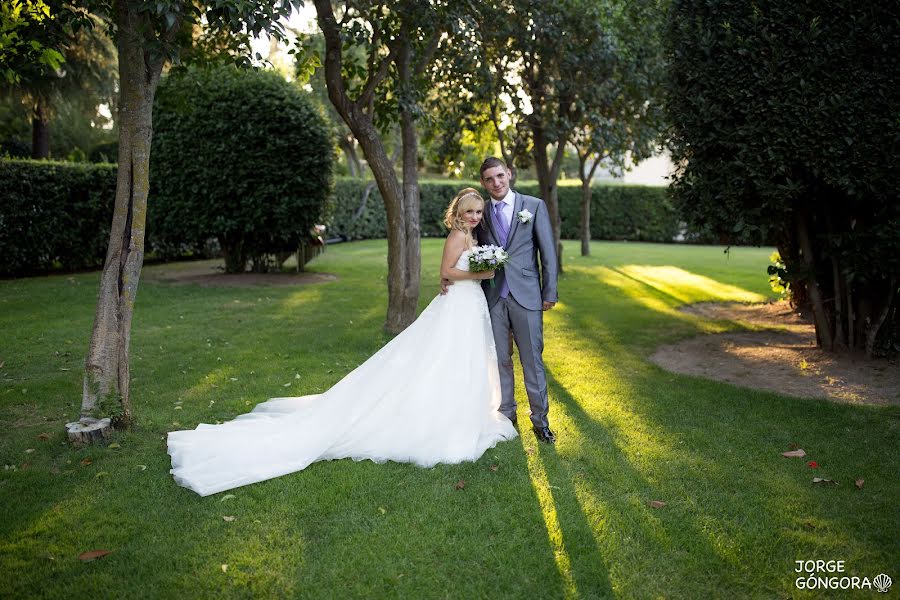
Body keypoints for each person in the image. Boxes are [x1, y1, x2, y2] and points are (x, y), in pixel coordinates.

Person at [167, 188, 517, 497]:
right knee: (444, 357)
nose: (474, 216)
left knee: (460, 362)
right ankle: (437, 418)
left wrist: (480, 270)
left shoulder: (471, 237)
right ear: (457, 214)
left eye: (478, 212)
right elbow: (445, 273)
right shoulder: (457, 237)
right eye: (469, 211)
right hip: (457, 304)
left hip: (468, 306)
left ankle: (456, 412)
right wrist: (481, 273)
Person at [441, 157, 559, 444]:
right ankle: (507, 416)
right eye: (489, 179)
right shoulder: (479, 214)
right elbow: (463, 250)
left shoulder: (534, 206)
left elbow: (548, 252)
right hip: (492, 297)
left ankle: (540, 421)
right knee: (500, 360)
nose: (496, 182)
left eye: (499, 176)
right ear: (483, 183)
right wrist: (445, 276)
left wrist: (549, 292)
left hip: (527, 297)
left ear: (509, 173)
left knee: (532, 360)